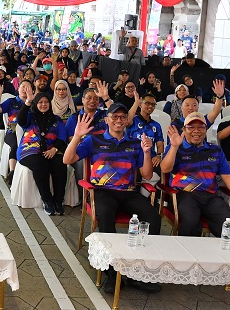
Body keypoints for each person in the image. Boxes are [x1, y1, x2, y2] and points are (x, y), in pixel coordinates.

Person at [62, 103, 161, 294]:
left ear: (127, 121)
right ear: (106, 119)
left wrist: (147, 152)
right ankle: (111, 274)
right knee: (106, 216)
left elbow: (147, 175)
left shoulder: (135, 142)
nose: (119, 120)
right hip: (103, 191)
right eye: (114, 117)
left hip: (129, 193)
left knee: (153, 218)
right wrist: (77, 136)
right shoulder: (94, 140)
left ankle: (137, 274)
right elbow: (67, 159)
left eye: (122, 117)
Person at [160, 112, 230, 236]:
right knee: (190, 223)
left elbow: (228, 176)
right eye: (191, 127)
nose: (196, 131)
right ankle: (187, 253)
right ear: (184, 130)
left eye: (201, 127)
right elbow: (165, 169)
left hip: (211, 197)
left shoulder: (215, 150)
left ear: (206, 129)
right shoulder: (176, 147)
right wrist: (174, 146)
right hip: (185, 195)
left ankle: (221, 254)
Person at [16, 91, 68, 215]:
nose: (43, 104)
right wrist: (28, 102)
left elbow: (62, 137)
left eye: (46, 102)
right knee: (40, 165)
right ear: (36, 104)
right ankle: (47, 200)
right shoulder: (30, 116)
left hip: (51, 150)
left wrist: (54, 149)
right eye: (40, 102)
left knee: (61, 165)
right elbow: (20, 120)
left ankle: (58, 201)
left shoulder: (56, 119)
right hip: (29, 150)